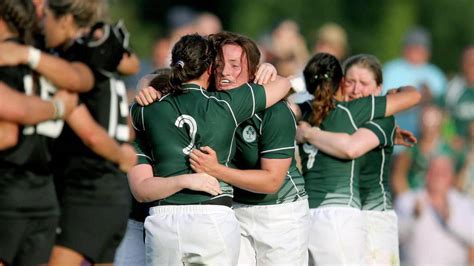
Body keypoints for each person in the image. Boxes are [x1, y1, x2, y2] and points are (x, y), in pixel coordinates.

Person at [128, 33, 291, 265]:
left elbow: (123, 124)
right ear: (209, 70)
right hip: (212, 216)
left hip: (162, 219)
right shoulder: (227, 103)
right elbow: (284, 85)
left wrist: (147, 89)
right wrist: (267, 70)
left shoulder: (145, 111)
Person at [290, 52, 421, 265]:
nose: (356, 89)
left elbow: (352, 147)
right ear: (340, 82)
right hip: (342, 216)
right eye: (350, 82)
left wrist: (308, 133)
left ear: (378, 89)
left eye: (363, 83)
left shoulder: (380, 118)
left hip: (373, 217)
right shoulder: (332, 111)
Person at [0, 1, 78, 264]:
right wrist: (57, 108)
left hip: (8, 187)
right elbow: (81, 79)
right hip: (44, 192)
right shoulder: (44, 60)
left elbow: (8, 133)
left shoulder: (5, 59)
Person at [395, 155, 474, 265]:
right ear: (427, 174)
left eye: (443, 172)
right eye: (434, 171)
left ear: (451, 176)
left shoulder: (463, 203)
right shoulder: (408, 199)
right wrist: (413, 217)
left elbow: (471, 236)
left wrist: (450, 217)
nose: (438, 176)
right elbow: (395, 235)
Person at [383, 26, 447, 140]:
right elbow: (385, 101)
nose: (417, 51)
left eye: (421, 47)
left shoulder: (435, 73)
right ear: (405, 48)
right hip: (398, 119)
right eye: (413, 47)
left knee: (432, 115)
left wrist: (428, 98)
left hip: (427, 123)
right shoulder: (392, 69)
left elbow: (442, 105)